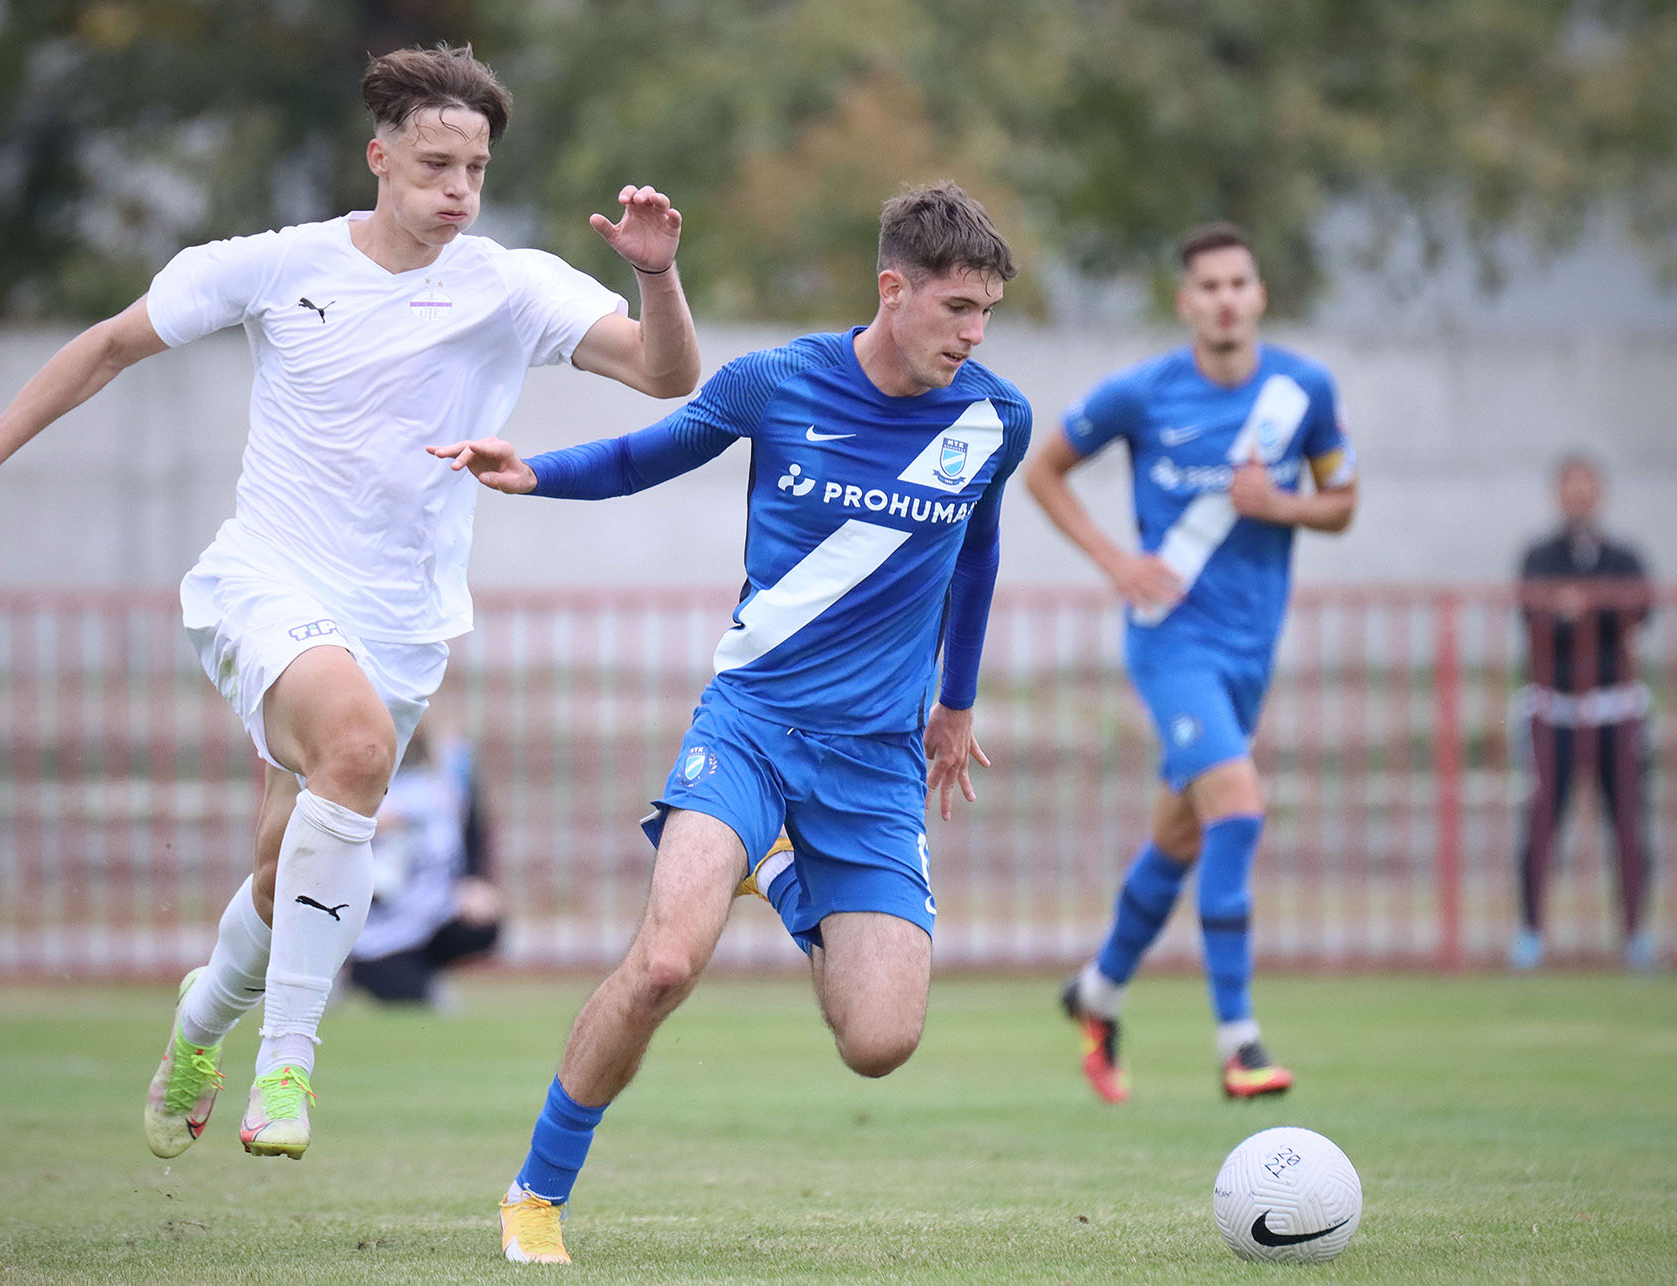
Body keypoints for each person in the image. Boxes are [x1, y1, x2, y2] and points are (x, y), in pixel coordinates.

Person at [0, 43, 699, 1161]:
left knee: (287, 875)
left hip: (404, 623)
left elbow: (667, 379)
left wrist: (658, 276)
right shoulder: (278, 264)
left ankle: (199, 1021)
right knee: (360, 748)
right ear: (379, 158)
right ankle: (290, 1064)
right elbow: (113, 344)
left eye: (474, 168)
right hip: (265, 582)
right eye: (434, 164)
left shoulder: (510, 285)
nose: (458, 190)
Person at [428, 181, 1028, 1264]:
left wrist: (958, 702)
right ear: (893, 290)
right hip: (750, 726)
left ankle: (786, 871)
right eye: (956, 308)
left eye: (987, 311)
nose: (973, 333)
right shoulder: (776, 382)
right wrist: (532, 473)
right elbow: (643, 455)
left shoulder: (995, 417)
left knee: (881, 1043)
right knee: (664, 964)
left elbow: (978, 553)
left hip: (877, 761)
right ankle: (536, 1191)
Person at [1022, 221, 1357, 1104]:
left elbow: (1343, 503)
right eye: (1207, 286)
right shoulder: (1142, 394)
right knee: (1238, 811)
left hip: (1251, 649)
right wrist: (1116, 562)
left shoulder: (1303, 390)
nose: (1224, 299)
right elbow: (1045, 470)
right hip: (1171, 640)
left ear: (1259, 296)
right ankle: (1239, 1041)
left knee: (1181, 832)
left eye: (1238, 283)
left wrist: (1278, 504)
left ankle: (1096, 993)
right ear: (1186, 303)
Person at [1512, 454, 1656, 972]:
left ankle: (1636, 933)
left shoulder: (1623, 555)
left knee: (1630, 826)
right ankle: (1530, 933)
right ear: (1559, 494)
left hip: (1616, 708)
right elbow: (1535, 613)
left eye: (1587, 487)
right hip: (1558, 710)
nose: (1579, 497)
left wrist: (1585, 607)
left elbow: (1640, 610)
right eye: (1569, 487)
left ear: (1600, 494)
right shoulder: (1540, 555)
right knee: (1543, 825)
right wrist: (1584, 612)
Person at [346, 723, 504, 1006]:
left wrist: (473, 879)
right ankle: (352, 972)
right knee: (404, 989)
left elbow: (472, 827)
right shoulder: (355, 768)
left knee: (482, 923)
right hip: (374, 921)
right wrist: (359, 823)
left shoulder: (447, 771)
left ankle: (421, 970)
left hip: (430, 908)